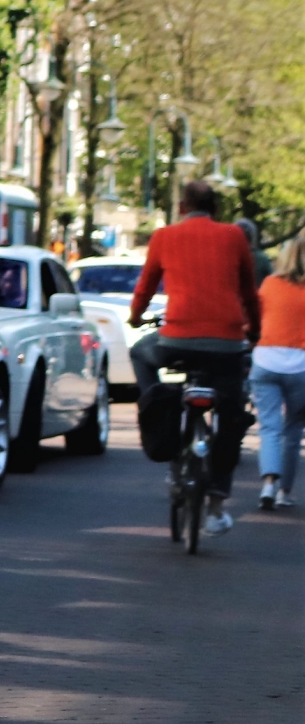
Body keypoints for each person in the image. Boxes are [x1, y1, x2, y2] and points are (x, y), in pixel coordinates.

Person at [129, 179, 261, 536]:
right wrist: (254, 331)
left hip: (176, 340)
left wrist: (135, 316)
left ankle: (156, 404)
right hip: (226, 343)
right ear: (216, 210)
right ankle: (217, 505)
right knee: (231, 417)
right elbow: (249, 293)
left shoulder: (163, 236)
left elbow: (145, 285)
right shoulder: (234, 236)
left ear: (182, 208)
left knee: (140, 352)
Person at [248, 234, 305, 512]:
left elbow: (256, 320)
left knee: (269, 427)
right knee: (293, 431)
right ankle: (284, 492)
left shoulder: (270, 284)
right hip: (301, 366)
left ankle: (268, 483)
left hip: (266, 361)